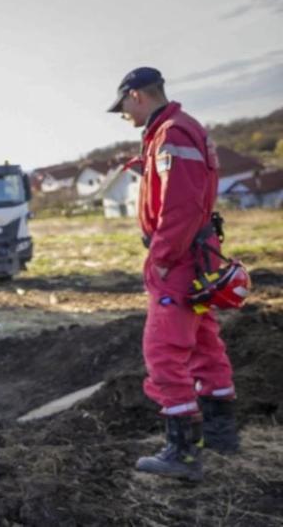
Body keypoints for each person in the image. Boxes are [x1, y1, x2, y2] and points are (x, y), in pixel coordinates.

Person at [109, 67, 238, 481]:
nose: (122, 114)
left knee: (163, 351)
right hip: (197, 253)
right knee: (203, 343)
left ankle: (182, 455)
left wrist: (161, 258)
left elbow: (181, 206)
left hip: (179, 258)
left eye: (123, 106)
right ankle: (221, 436)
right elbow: (186, 188)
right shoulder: (178, 129)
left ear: (136, 95)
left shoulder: (172, 135)